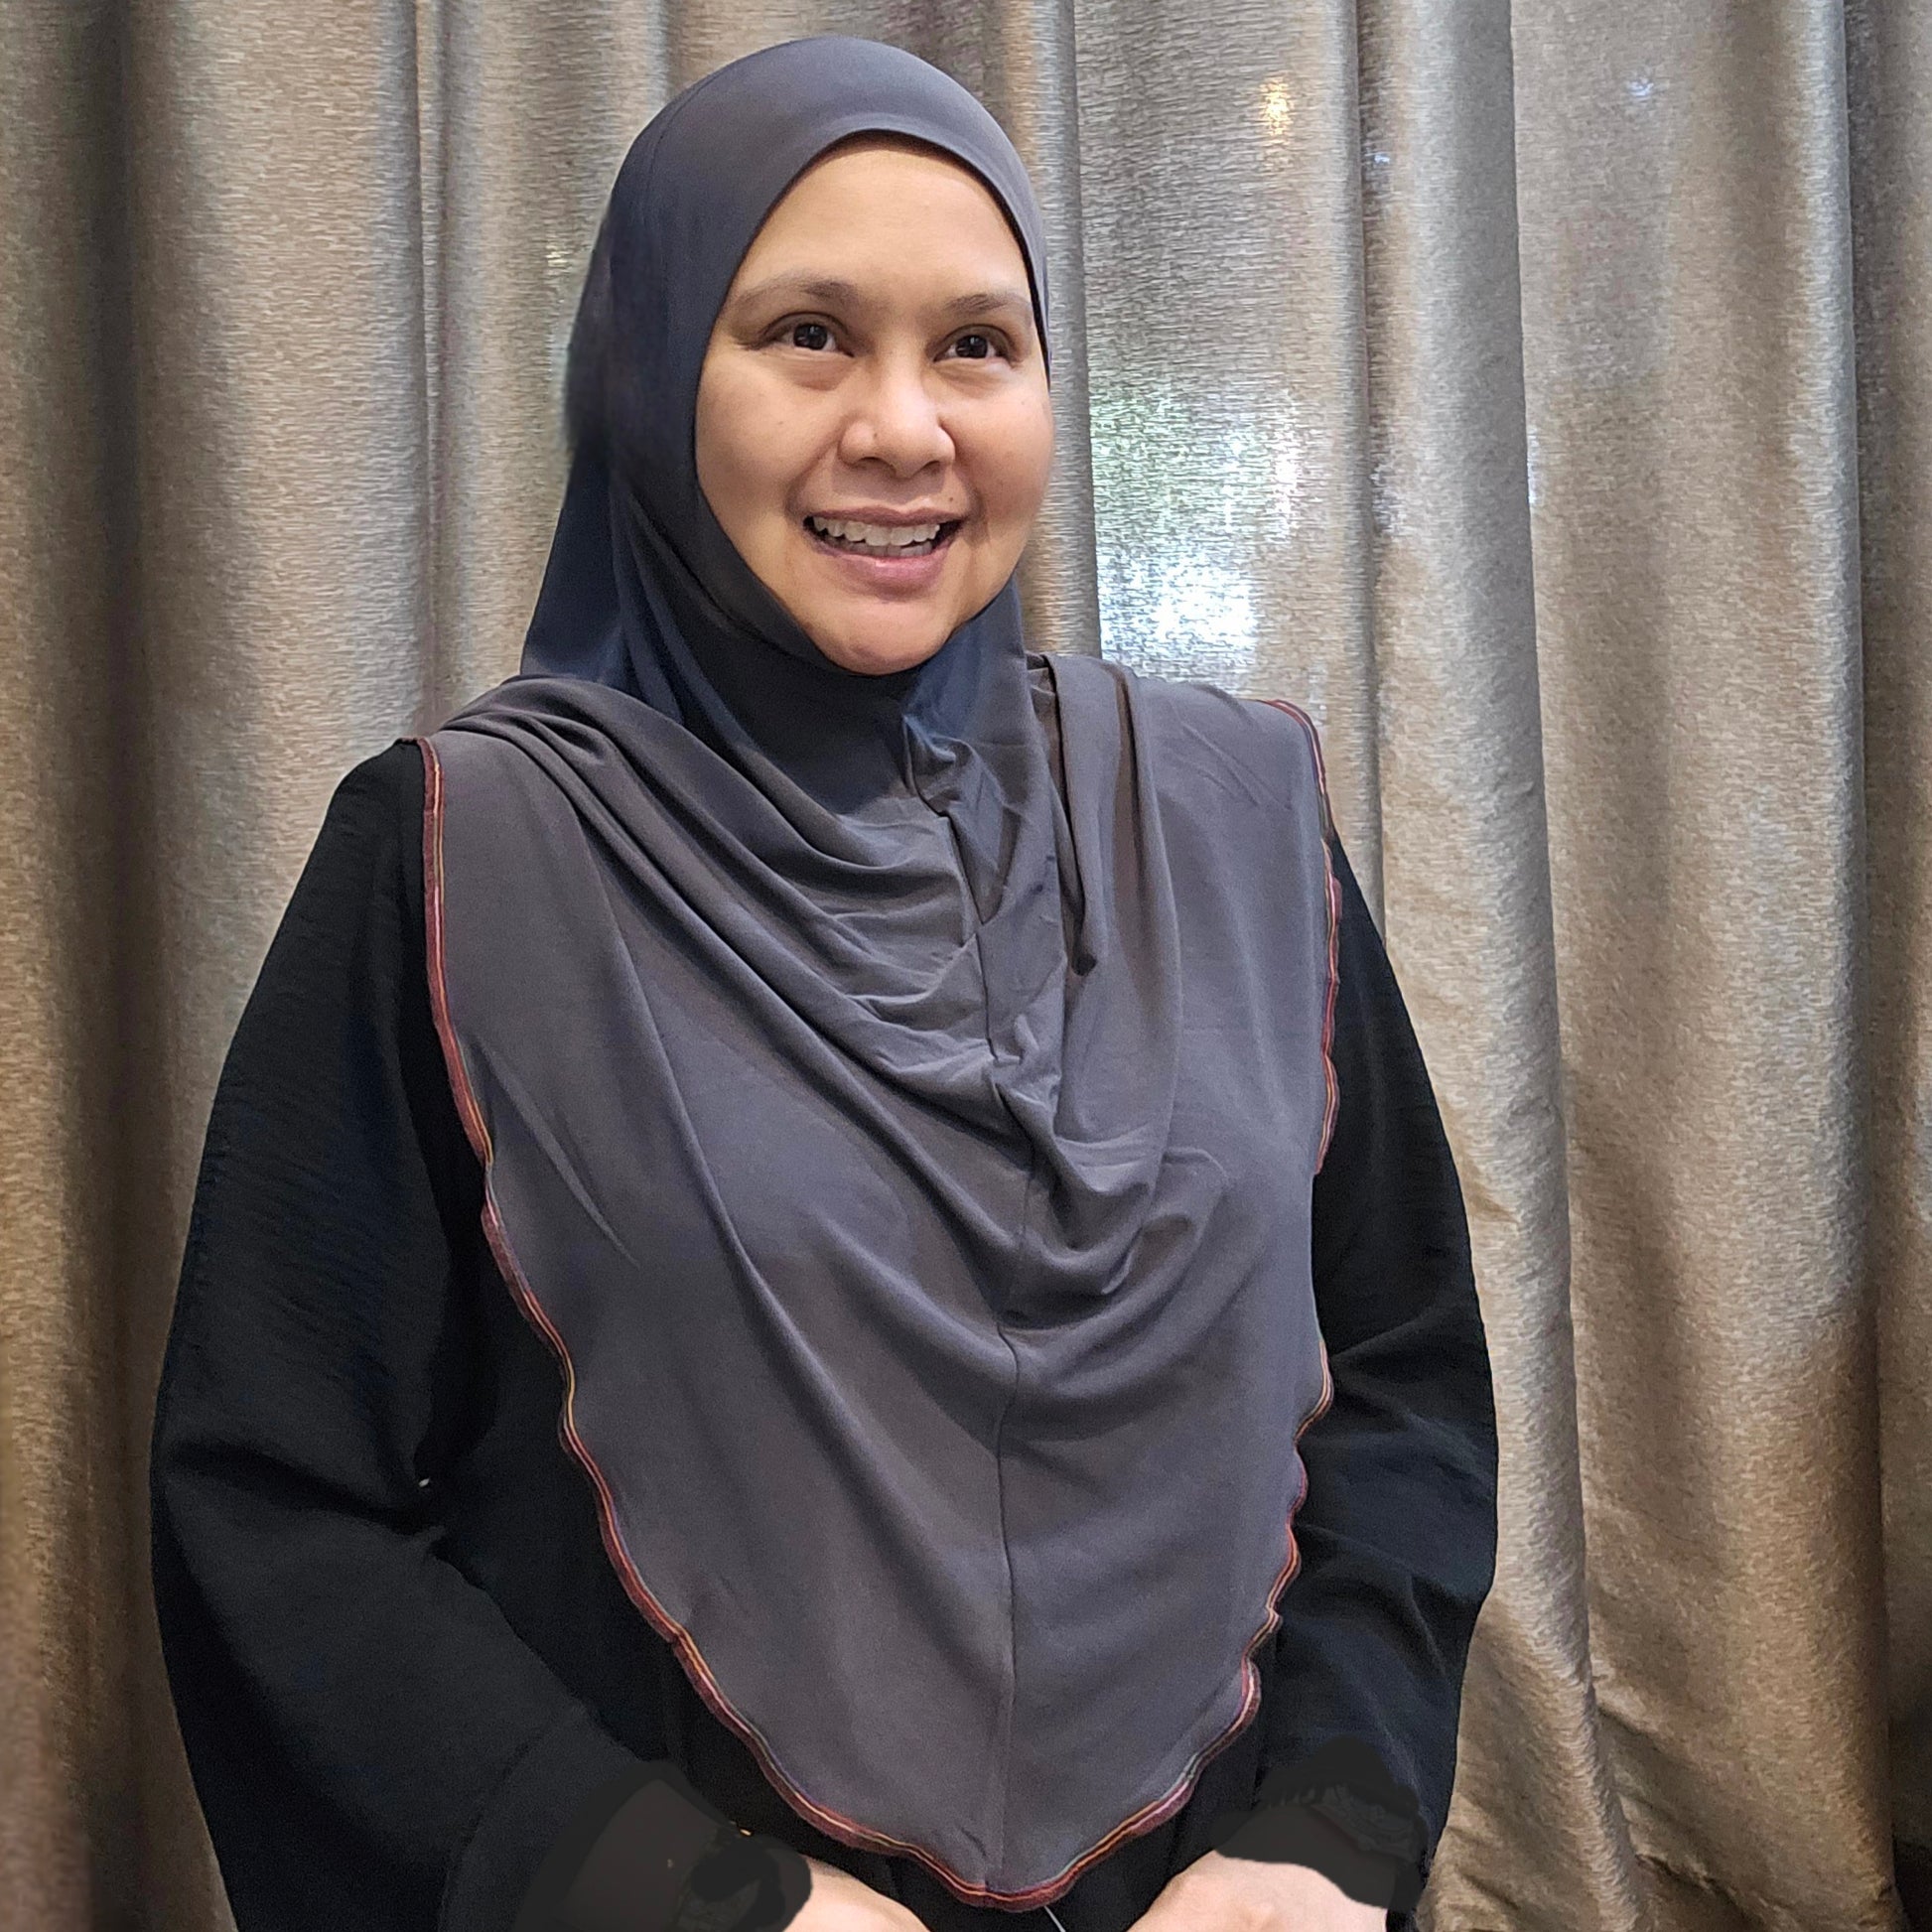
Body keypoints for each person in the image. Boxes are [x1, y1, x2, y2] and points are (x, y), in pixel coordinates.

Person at [149, 36, 1497, 1932]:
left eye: (975, 345)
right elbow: (278, 1505)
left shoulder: (1236, 818)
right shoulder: (464, 857)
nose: (904, 426)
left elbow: (1399, 1372)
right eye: (806, 334)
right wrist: (668, 1890)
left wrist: (1330, 1830)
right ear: (649, 374)